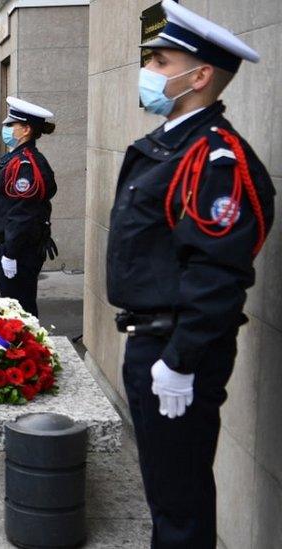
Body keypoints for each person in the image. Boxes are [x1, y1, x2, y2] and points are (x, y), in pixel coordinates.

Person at [105, 2, 275, 546]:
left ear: (199, 76)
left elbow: (218, 272)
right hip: (152, 342)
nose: (148, 72)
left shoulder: (213, 158)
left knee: (180, 502)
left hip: (176, 350)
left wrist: (180, 361)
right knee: (166, 491)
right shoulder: (172, 145)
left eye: (159, 60)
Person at [0, 97, 57, 317]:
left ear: (25, 130)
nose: (6, 129)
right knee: (16, 309)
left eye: (11, 125)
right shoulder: (17, 158)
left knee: (20, 312)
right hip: (16, 246)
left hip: (20, 250)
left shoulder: (24, 164)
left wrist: (10, 252)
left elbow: (22, 213)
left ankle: (27, 352)